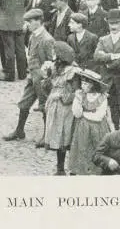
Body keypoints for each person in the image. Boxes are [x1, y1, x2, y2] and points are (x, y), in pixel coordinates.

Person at [3, 8, 55, 143]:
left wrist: (45, 79)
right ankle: (19, 130)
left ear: (38, 21)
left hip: (42, 79)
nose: (27, 25)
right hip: (32, 77)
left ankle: (47, 136)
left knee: (44, 106)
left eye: (30, 21)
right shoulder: (33, 36)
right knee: (24, 103)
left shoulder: (47, 39)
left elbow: (51, 61)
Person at [93, 9, 120, 127]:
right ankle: (119, 138)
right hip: (108, 83)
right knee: (114, 114)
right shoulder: (103, 39)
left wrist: (108, 64)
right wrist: (113, 56)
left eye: (116, 23)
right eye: (111, 23)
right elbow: (96, 56)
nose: (113, 26)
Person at [43, 41, 79, 175]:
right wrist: (46, 76)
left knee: (66, 135)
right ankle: (60, 168)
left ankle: (73, 167)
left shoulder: (73, 72)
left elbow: (76, 92)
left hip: (66, 109)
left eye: (54, 52)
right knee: (57, 136)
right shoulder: (54, 67)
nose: (52, 54)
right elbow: (47, 88)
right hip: (54, 106)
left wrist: (60, 95)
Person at [69, 69, 113, 175]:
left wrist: (85, 114)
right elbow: (77, 114)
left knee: (97, 148)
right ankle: (81, 170)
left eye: (86, 83)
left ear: (93, 85)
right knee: (82, 148)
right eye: (82, 83)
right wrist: (78, 101)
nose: (83, 86)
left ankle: (97, 170)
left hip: (98, 127)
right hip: (83, 128)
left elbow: (99, 116)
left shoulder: (102, 97)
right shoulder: (80, 95)